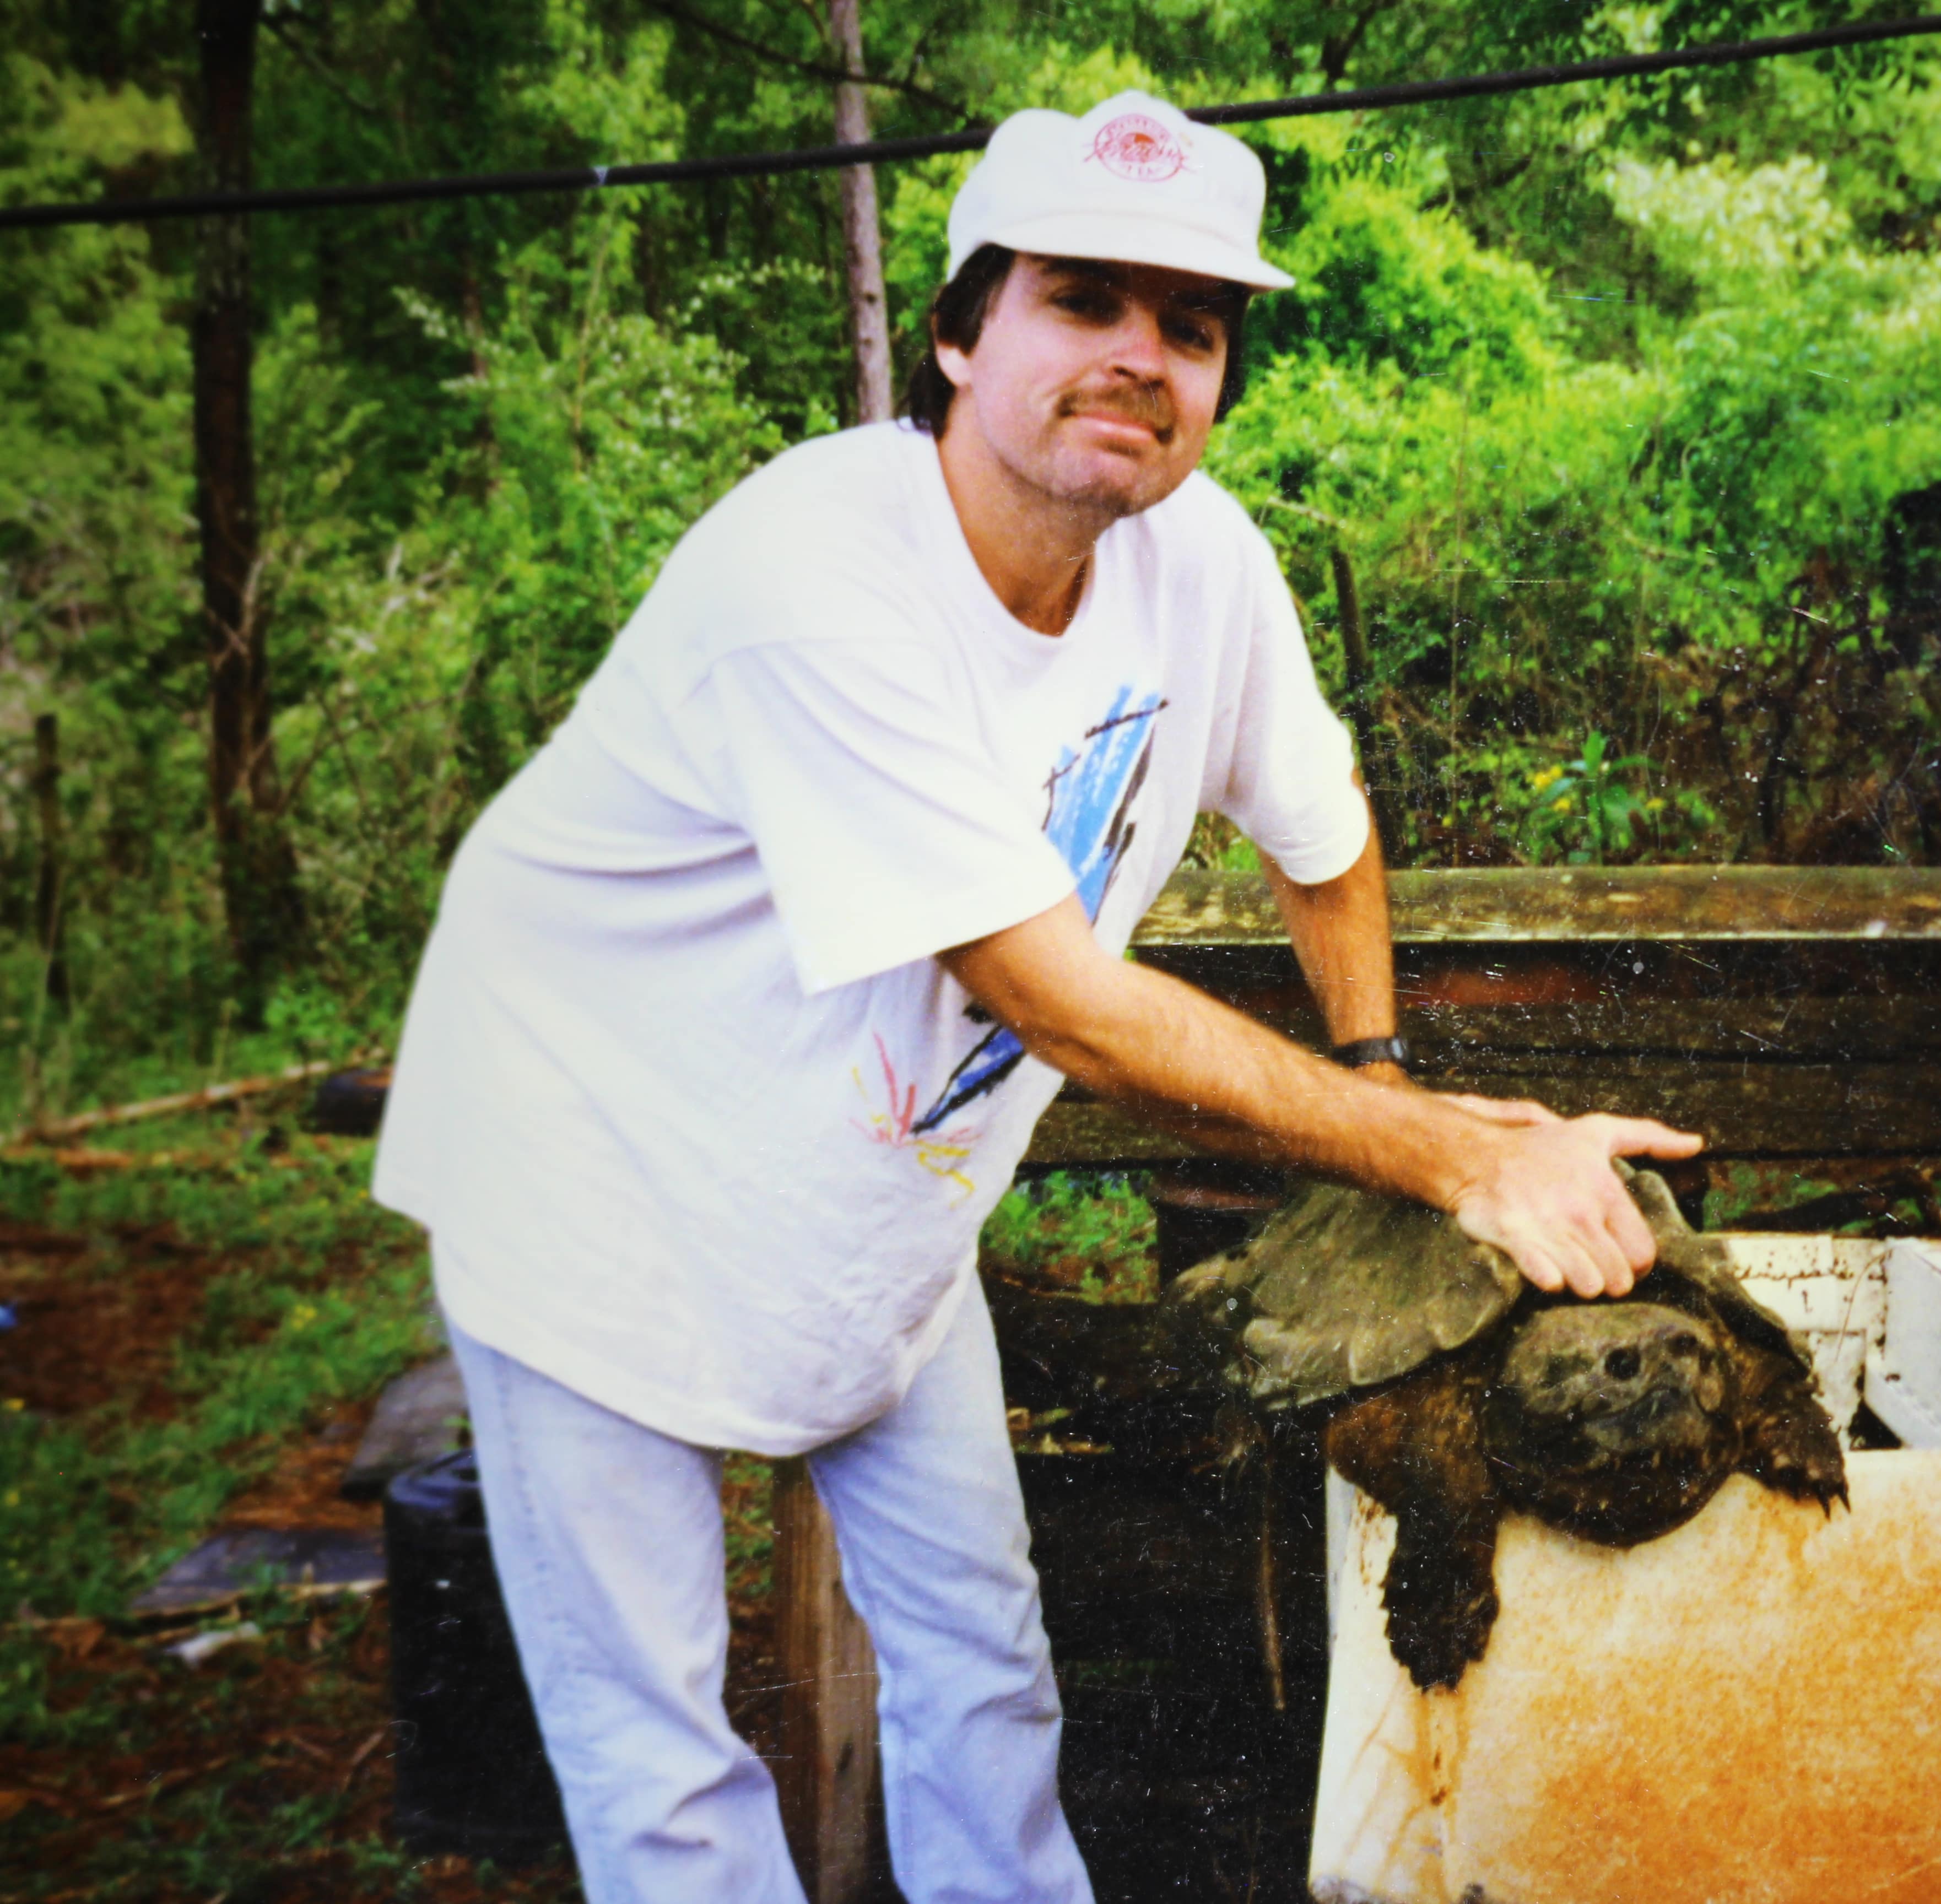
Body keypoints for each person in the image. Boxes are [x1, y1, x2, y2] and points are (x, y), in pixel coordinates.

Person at [372, 90, 1699, 1904]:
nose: (1143, 358)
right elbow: (1056, 1000)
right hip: (594, 1167)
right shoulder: (816, 576)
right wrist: (1450, 1160)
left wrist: (1387, 1077)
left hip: (871, 1197)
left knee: (987, 1679)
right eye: (1086, 299)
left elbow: (1323, 830)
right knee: (667, 1763)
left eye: (1194, 325)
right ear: (956, 331)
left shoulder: (1203, 567)